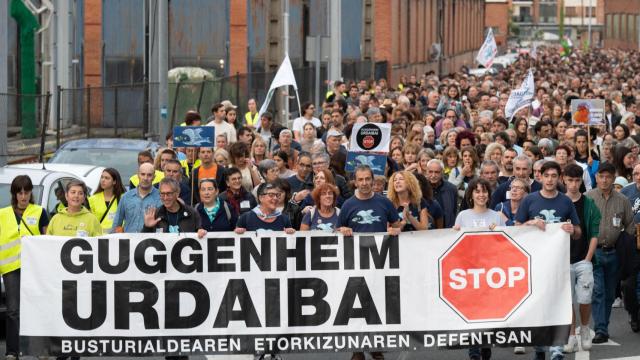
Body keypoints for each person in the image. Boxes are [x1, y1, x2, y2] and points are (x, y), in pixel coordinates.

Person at [515, 161, 581, 360]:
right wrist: (531, 223)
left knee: (558, 303)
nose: (550, 179)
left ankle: (556, 349)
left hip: (559, 262)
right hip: (535, 262)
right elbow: (516, 228)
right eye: (547, 176)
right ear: (540, 177)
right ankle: (540, 347)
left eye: (554, 176)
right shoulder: (529, 200)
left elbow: (578, 233)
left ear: (558, 178)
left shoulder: (566, 202)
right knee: (538, 305)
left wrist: (572, 230)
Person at [339, 165, 401, 360]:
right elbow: (338, 229)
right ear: (355, 182)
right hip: (355, 263)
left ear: (373, 181)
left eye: (368, 179)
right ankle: (357, 348)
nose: (365, 183)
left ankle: (375, 346)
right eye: (361, 180)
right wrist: (343, 230)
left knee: (376, 305)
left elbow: (397, 224)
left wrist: (395, 230)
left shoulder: (385, 203)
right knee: (356, 306)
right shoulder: (348, 205)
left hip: (379, 263)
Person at [0, 175, 49, 360]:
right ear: (14, 194)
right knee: (13, 310)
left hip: (35, 267)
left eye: (26, 192)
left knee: (37, 307)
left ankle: (40, 350)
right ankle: (12, 351)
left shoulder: (39, 212)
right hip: (11, 267)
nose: (23, 196)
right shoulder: (3, 214)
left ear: (30, 193)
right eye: (19, 192)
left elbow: (47, 239)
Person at [586, 162, 635, 344]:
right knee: (598, 291)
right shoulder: (588, 198)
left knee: (608, 293)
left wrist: (623, 244)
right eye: (601, 176)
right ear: (596, 178)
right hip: (594, 252)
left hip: (614, 253)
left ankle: (603, 326)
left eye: (608, 177)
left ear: (613, 179)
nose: (604, 180)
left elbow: (629, 226)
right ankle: (600, 329)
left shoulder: (622, 200)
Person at [562, 164, 600, 353]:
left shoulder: (589, 204)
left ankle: (585, 329)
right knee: (567, 300)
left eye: (577, 180)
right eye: (570, 180)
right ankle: (570, 335)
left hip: (583, 259)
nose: (574, 184)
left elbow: (594, 233)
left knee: (585, 298)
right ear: (564, 180)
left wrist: (588, 259)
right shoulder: (559, 202)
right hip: (562, 260)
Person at [112, 163, 162, 233]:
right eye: (143, 174)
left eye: (149, 175)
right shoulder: (126, 197)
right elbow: (117, 223)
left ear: (154, 177)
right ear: (138, 175)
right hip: (129, 242)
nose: (145, 178)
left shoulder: (160, 197)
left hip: (150, 242)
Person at [88, 168, 125, 232]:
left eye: (107, 178)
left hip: (117, 237)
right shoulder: (92, 199)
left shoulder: (123, 198)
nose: (103, 180)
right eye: (102, 177)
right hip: (98, 237)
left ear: (114, 181)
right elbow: (89, 221)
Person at [426, 159, 458, 228]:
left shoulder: (451, 189)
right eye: (430, 172)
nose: (433, 175)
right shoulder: (421, 189)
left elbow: (454, 212)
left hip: (447, 231)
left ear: (442, 173)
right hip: (426, 233)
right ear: (426, 172)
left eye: (437, 172)